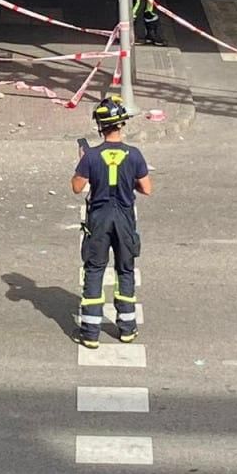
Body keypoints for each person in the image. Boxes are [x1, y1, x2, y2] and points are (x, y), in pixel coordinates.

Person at [72, 96, 152, 348]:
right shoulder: (134, 155)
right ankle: (127, 328)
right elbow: (147, 188)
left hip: (99, 219)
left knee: (94, 270)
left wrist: (83, 161)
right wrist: (130, 181)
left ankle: (90, 333)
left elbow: (77, 187)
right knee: (125, 270)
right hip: (125, 220)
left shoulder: (91, 156)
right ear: (121, 124)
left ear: (100, 126)